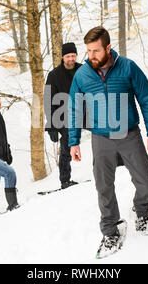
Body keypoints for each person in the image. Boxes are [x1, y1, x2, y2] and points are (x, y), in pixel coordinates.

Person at [68, 26, 148, 258]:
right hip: (100, 137)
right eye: (88, 51)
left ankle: (143, 209)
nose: (91, 56)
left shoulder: (128, 67)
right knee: (104, 187)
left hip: (129, 134)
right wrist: (74, 141)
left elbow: (146, 98)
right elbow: (74, 108)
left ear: (108, 48)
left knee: (144, 180)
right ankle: (111, 229)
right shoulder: (82, 75)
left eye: (96, 50)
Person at [44, 43, 83, 189]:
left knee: (106, 130)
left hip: (85, 112)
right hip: (65, 116)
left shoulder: (83, 70)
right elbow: (48, 101)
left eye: (73, 55)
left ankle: (121, 158)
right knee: (67, 144)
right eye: (68, 56)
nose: (71, 59)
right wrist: (51, 126)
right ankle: (65, 181)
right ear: (63, 57)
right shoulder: (54, 75)